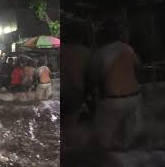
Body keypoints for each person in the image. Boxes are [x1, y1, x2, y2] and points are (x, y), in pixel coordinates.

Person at [90, 19, 142, 150]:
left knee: (103, 142)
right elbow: (138, 66)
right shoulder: (127, 48)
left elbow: (93, 80)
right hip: (134, 97)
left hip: (112, 101)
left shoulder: (99, 53)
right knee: (127, 142)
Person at [61, 21, 92, 150]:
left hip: (62, 90)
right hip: (76, 91)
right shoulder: (85, 52)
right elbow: (90, 74)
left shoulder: (61, 51)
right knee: (70, 126)